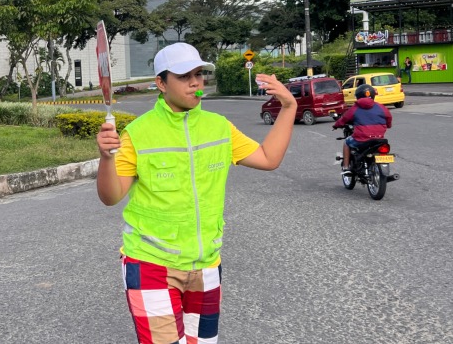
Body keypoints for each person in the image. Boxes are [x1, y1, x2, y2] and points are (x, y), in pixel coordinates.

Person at [95, 42, 297, 344]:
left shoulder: (219, 127)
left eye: (199, 74)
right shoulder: (137, 133)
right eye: (184, 75)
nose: (195, 82)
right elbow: (111, 196)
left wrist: (289, 107)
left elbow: (268, 158)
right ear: (161, 83)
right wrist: (107, 158)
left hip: (206, 266)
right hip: (150, 264)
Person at [333, 83, 392, 175]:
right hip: (379, 139)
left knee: (347, 142)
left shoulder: (355, 108)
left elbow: (344, 119)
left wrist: (336, 125)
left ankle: (345, 167)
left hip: (362, 139)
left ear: (357, 96)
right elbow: (389, 118)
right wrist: (388, 125)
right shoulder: (381, 107)